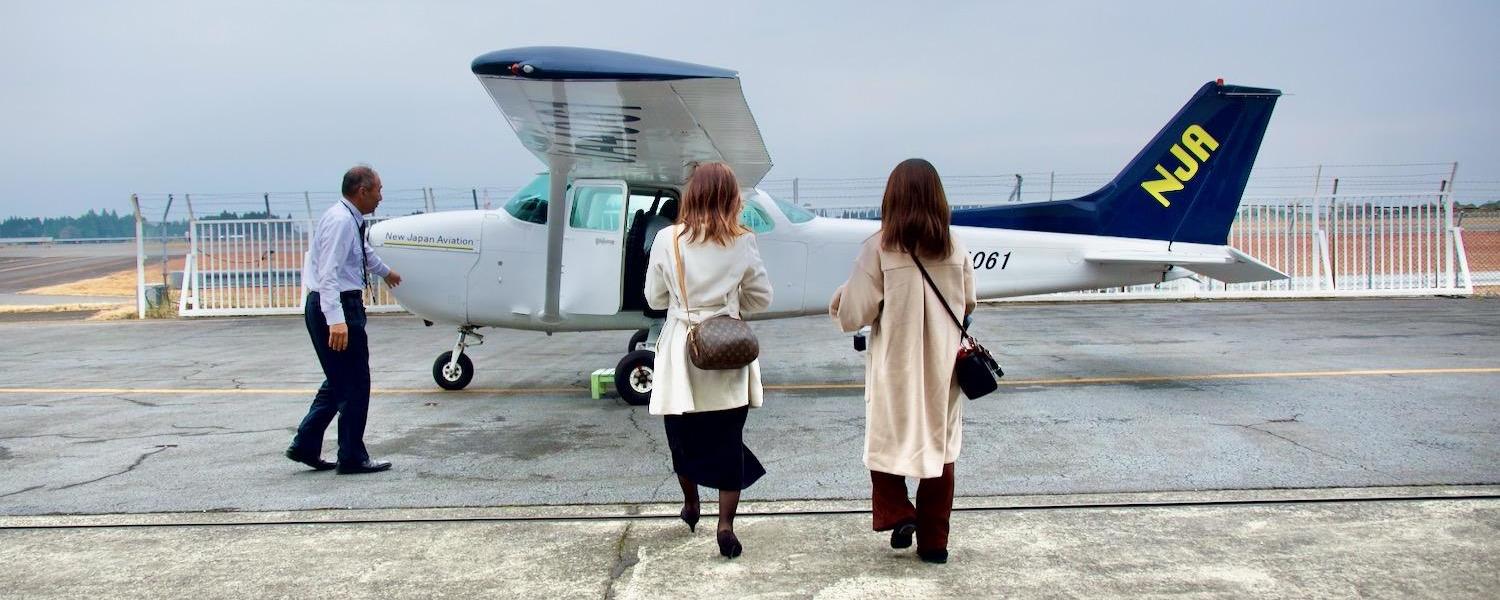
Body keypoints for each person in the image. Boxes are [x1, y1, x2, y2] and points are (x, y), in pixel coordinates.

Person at [830, 158, 976, 564]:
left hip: (896, 366)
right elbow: (969, 303)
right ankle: (934, 544)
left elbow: (854, 314)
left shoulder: (878, 248)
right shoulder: (954, 246)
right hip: (943, 368)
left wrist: (841, 296)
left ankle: (898, 513)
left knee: (884, 445)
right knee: (940, 451)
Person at [644, 162, 773, 558]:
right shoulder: (743, 241)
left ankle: (691, 504)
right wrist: (729, 305)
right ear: (732, 198)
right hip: (727, 354)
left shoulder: (668, 239)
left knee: (682, 437)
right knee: (726, 440)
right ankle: (726, 524)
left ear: (692, 194)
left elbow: (654, 299)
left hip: (682, 355)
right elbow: (761, 298)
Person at [285, 165, 402, 475]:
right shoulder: (341, 221)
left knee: (339, 381)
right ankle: (351, 456)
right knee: (355, 383)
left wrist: (386, 273)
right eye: (378, 189)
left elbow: (362, 253)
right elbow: (329, 272)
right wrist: (336, 320)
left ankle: (306, 444)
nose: (380, 196)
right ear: (362, 191)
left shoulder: (349, 218)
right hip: (336, 305)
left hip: (334, 303)